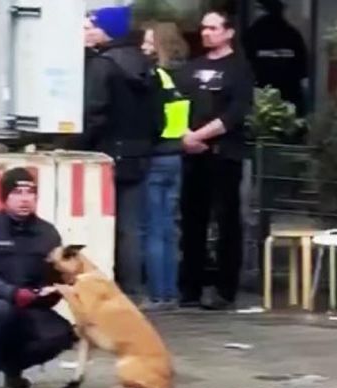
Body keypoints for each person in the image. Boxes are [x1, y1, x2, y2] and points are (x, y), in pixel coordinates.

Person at [0, 168, 75, 388]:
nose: (24, 198)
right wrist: (12, 293)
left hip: (27, 307)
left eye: (30, 193)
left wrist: (54, 289)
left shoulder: (47, 234)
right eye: (17, 192)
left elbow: (55, 276)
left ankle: (13, 368)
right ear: (5, 197)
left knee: (61, 334)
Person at [80, 6, 164, 299]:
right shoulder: (146, 64)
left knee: (98, 224)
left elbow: (95, 112)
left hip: (106, 154)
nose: (87, 29)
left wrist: (77, 145)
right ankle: (133, 290)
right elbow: (159, 119)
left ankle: (104, 289)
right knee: (131, 227)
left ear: (109, 29)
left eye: (92, 24)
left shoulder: (103, 65)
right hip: (139, 156)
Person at [176, 10, 254, 310]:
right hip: (192, 155)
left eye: (213, 28)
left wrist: (201, 136)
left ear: (228, 32)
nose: (206, 33)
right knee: (192, 222)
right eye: (204, 28)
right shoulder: (191, 68)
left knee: (226, 222)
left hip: (224, 155)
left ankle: (224, 289)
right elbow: (176, 105)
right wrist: (185, 136)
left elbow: (235, 113)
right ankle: (190, 288)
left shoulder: (239, 69)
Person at [140, 22, 190, 310]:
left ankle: (157, 294)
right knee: (170, 228)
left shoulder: (155, 77)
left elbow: (152, 119)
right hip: (177, 156)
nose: (144, 48)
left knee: (153, 229)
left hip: (156, 155)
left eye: (149, 42)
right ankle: (171, 291)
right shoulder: (185, 74)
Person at [244, 0, 308, 115]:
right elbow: (302, 69)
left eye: (259, 9)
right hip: (289, 96)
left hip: (261, 96)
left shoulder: (252, 34)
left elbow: (244, 66)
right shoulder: (292, 34)